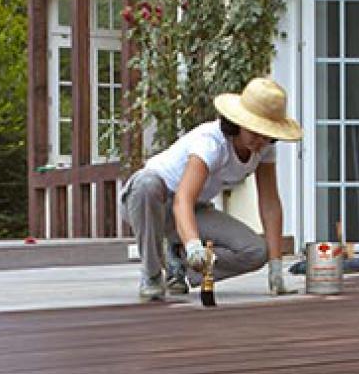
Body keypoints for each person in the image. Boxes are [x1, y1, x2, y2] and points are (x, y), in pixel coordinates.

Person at [119, 76, 303, 301]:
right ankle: (153, 274)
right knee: (147, 184)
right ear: (239, 123)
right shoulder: (211, 143)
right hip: (151, 203)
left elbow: (270, 203)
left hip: (195, 209)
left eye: (268, 135)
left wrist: (276, 265)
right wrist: (194, 245)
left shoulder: (263, 149)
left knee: (255, 251)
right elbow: (182, 199)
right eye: (255, 132)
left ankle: (178, 266)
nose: (260, 140)